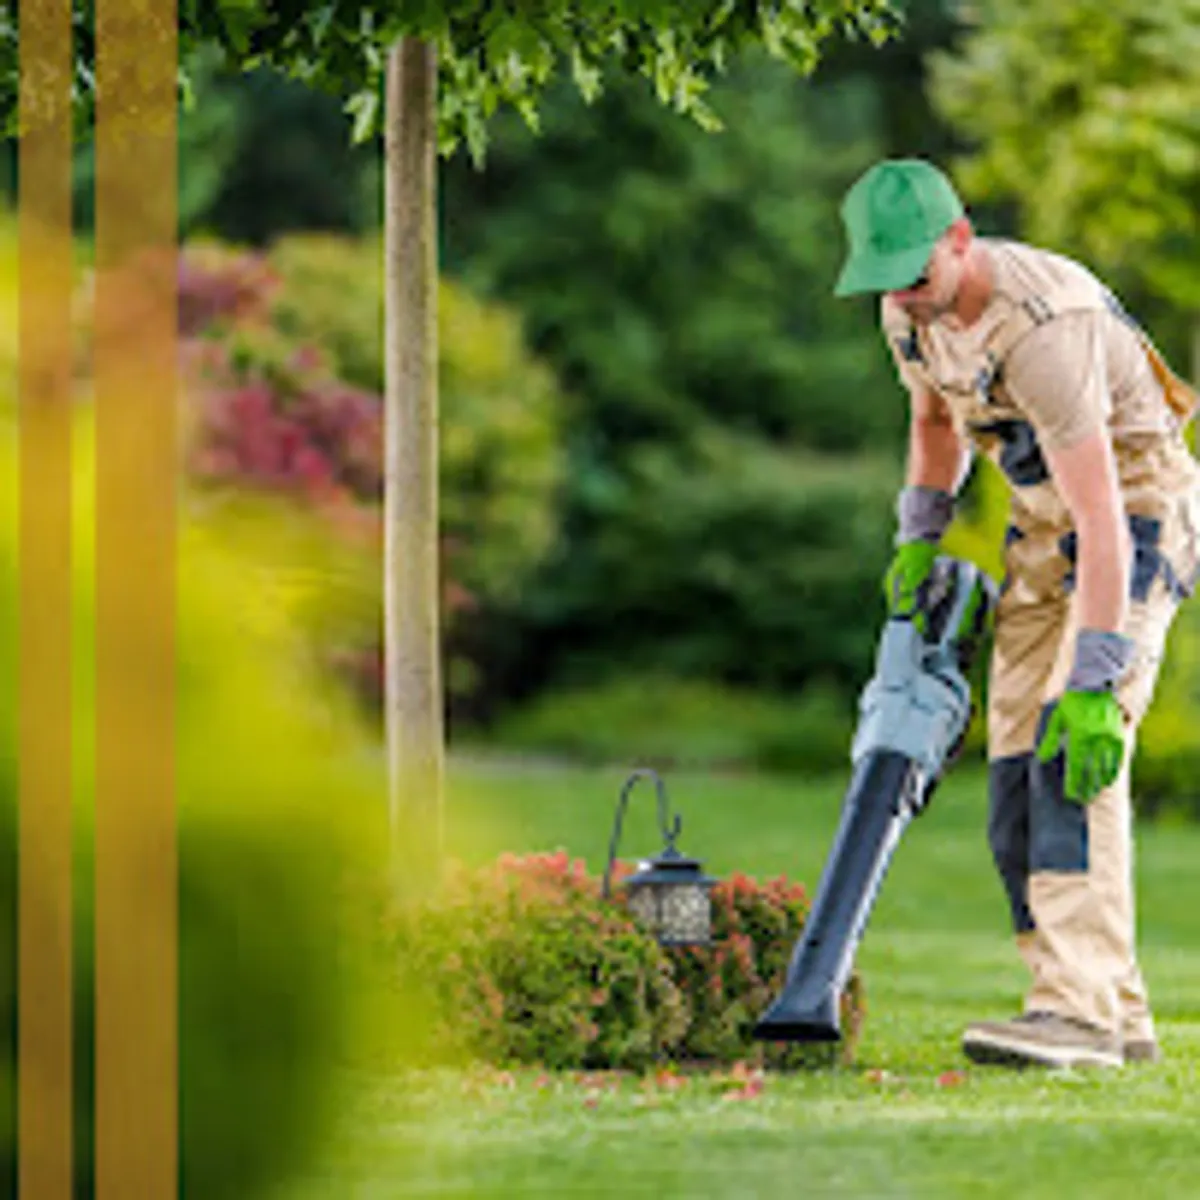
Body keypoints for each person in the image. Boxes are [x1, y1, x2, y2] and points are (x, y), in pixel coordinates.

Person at [833, 157, 1200, 1070]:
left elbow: (1107, 518)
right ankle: (1113, 1012)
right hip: (1041, 531)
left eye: (916, 276)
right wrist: (918, 535)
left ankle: (1074, 1014)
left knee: (1070, 752)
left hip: (1135, 519)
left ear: (960, 239)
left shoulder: (1045, 326)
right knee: (1010, 777)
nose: (904, 298)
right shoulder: (907, 311)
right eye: (885, 282)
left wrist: (1095, 675)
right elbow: (933, 426)